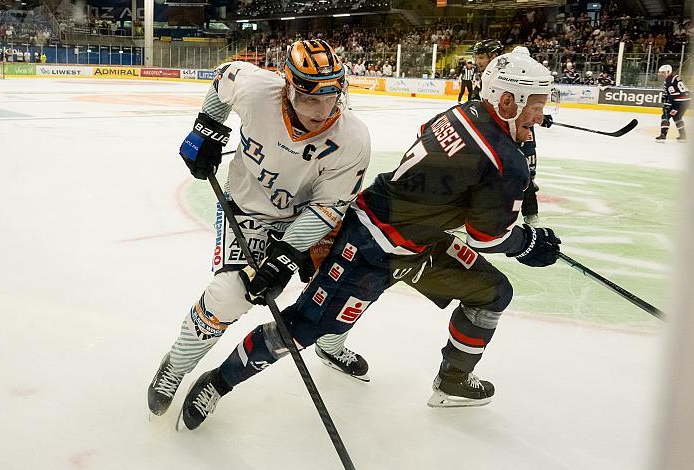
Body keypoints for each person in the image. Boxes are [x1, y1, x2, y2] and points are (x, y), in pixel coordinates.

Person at [176, 48, 562, 430]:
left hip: (418, 243)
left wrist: (512, 150)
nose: (542, 116)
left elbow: (432, 145)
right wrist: (527, 244)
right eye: (537, 106)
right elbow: (487, 237)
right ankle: (218, 382)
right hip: (371, 243)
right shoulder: (503, 161)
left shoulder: (463, 113)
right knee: (305, 323)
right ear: (509, 101)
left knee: (491, 292)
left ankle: (453, 381)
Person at [147, 39, 372, 418]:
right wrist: (206, 128)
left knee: (346, 286)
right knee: (229, 294)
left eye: (331, 98)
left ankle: (330, 345)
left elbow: (326, 209)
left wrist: (283, 256)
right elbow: (222, 81)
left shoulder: (353, 138)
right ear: (288, 88)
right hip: (248, 209)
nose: (322, 112)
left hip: (308, 218)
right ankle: (177, 365)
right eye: (310, 99)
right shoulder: (255, 90)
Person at [656, 64, 689, 142]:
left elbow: (674, 94)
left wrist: (668, 103)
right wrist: (665, 96)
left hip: (678, 102)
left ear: (668, 72)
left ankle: (663, 135)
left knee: (665, 116)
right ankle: (683, 136)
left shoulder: (669, 80)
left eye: (663, 72)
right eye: (661, 73)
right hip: (685, 101)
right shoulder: (675, 78)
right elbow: (670, 92)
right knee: (677, 117)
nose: (662, 74)